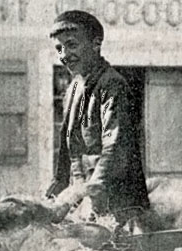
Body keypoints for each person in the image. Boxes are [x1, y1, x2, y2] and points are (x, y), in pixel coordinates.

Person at [45, 10, 150, 229]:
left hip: (113, 202)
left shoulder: (112, 84)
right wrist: (59, 185)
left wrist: (93, 191)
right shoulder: (74, 88)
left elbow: (115, 146)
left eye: (72, 45)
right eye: (59, 48)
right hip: (81, 196)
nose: (64, 55)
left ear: (96, 44)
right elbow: (68, 147)